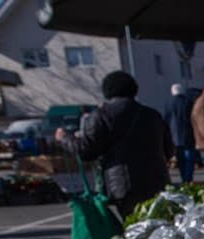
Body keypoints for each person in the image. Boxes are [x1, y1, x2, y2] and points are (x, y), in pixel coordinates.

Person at [56, 71, 172, 217]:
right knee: (157, 225)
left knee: (134, 227)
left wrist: (65, 138)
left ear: (107, 91)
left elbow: (87, 150)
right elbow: (168, 149)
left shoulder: (100, 116)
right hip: (157, 180)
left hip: (123, 183)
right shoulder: (153, 115)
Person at [164, 83, 197, 183]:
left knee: (181, 159)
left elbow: (166, 120)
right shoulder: (188, 102)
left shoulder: (168, 103)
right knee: (190, 158)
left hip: (175, 136)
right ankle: (188, 177)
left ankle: (184, 178)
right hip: (188, 134)